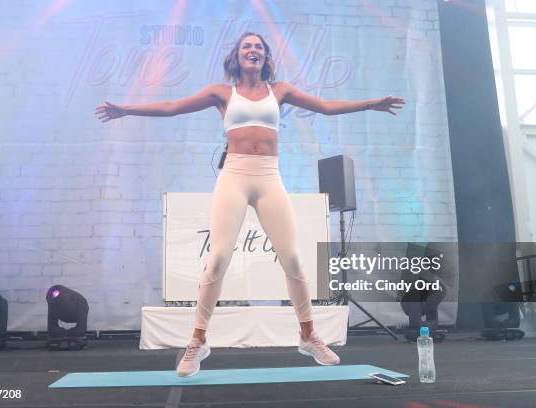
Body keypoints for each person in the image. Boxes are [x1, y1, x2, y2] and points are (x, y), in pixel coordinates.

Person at [96, 32, 405, 377]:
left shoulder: (281, 91)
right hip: (235, 177)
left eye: (258, 46)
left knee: (292, 258)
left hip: (269, 178)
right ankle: (197, 341)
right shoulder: (222, 93)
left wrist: (369, 104)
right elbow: (172, 107)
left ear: (265, 57)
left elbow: (326, 107)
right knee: (217, 260)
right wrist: (126, 108)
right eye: (247, 46)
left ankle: (308, 335)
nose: (253, 50)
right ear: (237, 57)